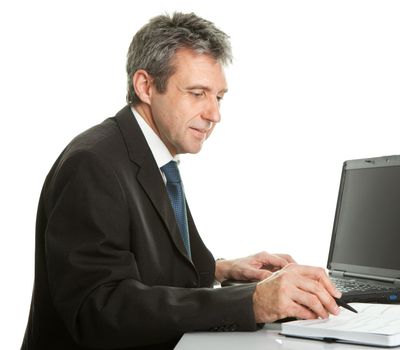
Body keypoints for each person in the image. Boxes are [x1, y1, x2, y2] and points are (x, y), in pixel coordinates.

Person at [21, 12, 341, 350]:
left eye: (218, 97)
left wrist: (221, 270)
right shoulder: (93, 163)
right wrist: (251, 301)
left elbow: (147, 266)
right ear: (145, 86)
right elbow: (100, 309)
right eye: (197, 93)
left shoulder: (151, 155)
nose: (214, 114)